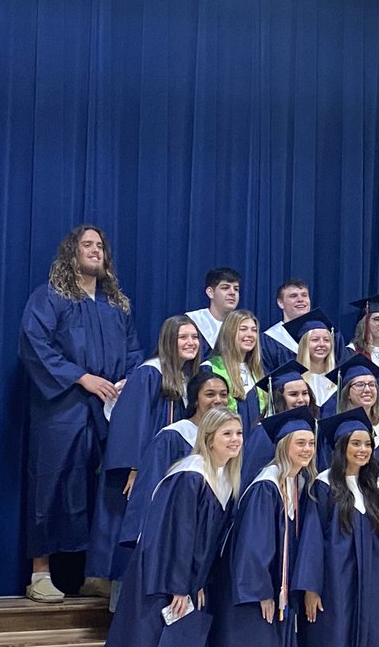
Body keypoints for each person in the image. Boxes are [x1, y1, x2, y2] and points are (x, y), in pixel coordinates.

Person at [97, 408, 243, 647]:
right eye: (227, 434)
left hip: (192, 584)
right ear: (208, 437)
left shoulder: (223, 477)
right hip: (164, 582)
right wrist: (180, 586)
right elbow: (175, 536)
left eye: (238, 433)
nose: (235, 440)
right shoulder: (189, 475)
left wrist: (198, 584)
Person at [19, 225, 142, 603]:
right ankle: (40, 573)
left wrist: (127, 382)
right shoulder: (51, 297)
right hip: (64, 406)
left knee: (108, 488)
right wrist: (81, 377)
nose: (94, 250)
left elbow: (135, 352)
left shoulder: (116, 303)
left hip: (110, 407)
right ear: (71, 253)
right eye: (86, 245)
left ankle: (98, 573)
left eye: (100, 246)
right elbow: (34, 344)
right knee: (53, 481)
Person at [206, 407, 315, 647]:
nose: (307, 449)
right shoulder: (266, 486)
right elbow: (254, 544)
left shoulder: (295, 484)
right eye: (300, 443)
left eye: (311, 443)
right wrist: (262, 591)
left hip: (281, 593)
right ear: (284, 445)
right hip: (257, 594)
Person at [294, 408, 379, 647]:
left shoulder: (374, 487)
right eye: (355, 443)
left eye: (367, 444)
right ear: (341, 446)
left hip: (368, 587)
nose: (362, 450)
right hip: (333, 586)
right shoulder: (322, 485)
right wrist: (311, 588)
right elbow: (311, 541)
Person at [88, 315, 200, 598]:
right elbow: (131, 423)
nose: (191, 343)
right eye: (183, 337)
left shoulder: (187, 379)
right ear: (168, 342)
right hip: (143, 472)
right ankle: (122, 604)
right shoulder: (150, 373)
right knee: (131, 529)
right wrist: (135, 468)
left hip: (168, 470)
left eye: (195, 337)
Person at [114, 373, 231, 584]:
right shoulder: (173, 436)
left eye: (223, 395)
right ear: (195, 399)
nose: (218, 400)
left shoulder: (228, 441)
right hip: (169, 540)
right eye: (210, 394)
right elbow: (149, 490)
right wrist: (146, 541)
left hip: (202, 547)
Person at [327, 355, 379, 477]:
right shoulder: (335, 430)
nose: (367, 389)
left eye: (372, 384)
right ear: (347, 393)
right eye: (360, 384)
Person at [241, 360, 315, 481]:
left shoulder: (307, 428)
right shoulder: (264, 432)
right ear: (278, 398)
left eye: (305, 393)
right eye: (293, 394)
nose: (301, 399)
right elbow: (250, 476)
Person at [202, 310, 267, 433]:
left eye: (254, 330)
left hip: (254, 446)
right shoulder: (211, 368)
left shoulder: (257, 372)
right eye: (243, 329)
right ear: (229, 332)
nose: (250, 334)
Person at [286, 309, 339, 413]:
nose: (322, 344)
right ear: (304, 345)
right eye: (315, 340)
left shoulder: (339, 380)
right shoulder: (294, 380)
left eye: (327, 340)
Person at [186, 267, 242, 358]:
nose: (232, 292)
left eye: (236, 289)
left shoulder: (242, 327)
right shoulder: (192, 322)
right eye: (225, 288)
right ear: (210, 292)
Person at [260, 278, 311, 371]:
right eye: (293, 296)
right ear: (280, 303)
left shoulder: (326, 335)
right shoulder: (269, 339)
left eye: (304, 295)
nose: (300, 299)